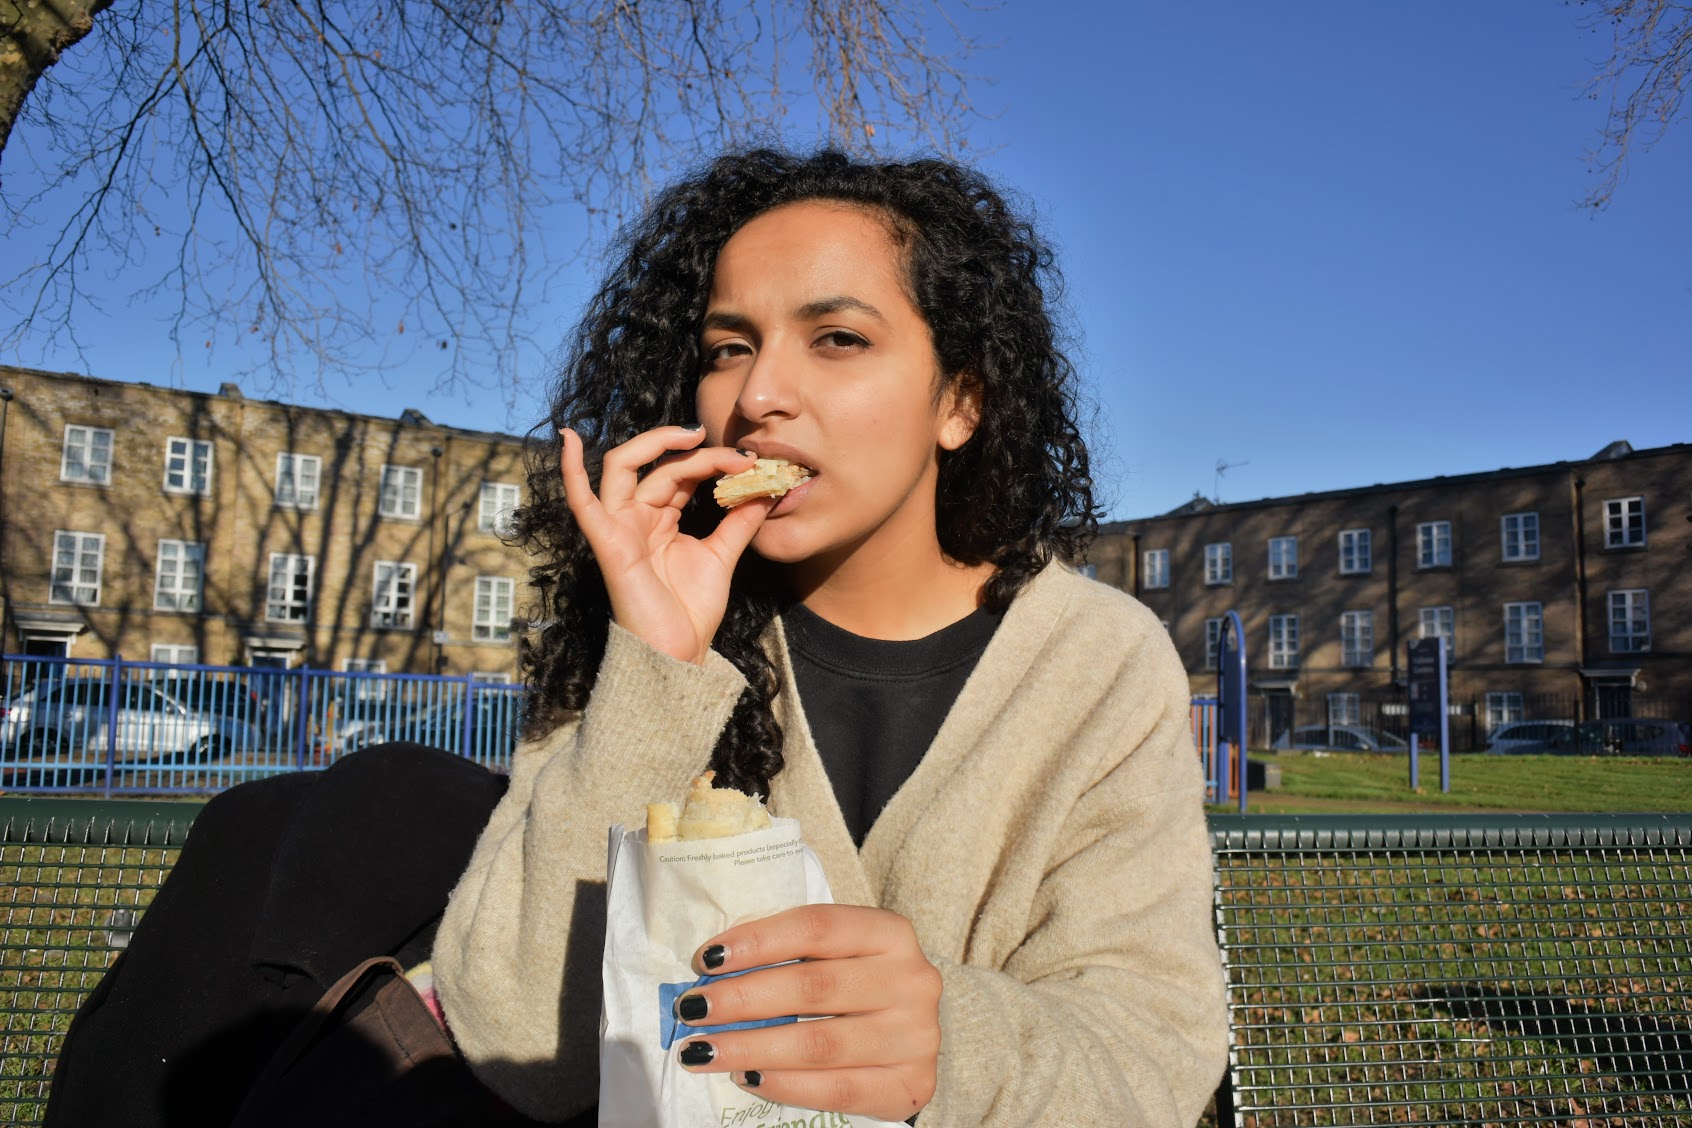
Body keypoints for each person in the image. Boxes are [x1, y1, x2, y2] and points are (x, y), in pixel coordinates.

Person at [430, 147, 1229, 1127]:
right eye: (728, 347)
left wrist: (945, 1044)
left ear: (960, 401)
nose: (758, 394)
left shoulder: (1098, 660)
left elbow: (1151, 1051)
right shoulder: (646, 630)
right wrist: (655, 671)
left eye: (838, 338)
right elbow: (517, 1044)